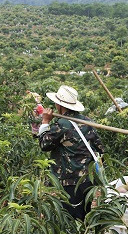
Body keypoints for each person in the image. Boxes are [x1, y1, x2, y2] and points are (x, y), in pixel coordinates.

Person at [39, 85, 104, 220]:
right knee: (84, 214)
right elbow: (100, 148)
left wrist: (45, 122)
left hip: (70, 180)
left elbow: (44, 144)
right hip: (88, 178)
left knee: (70, 216)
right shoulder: (87, 121)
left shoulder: (62, 124)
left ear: (59, 105)